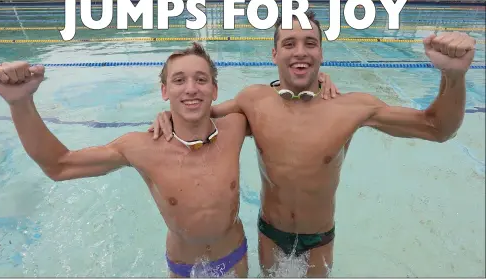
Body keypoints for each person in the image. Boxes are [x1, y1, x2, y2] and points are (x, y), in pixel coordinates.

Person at [148, 11, 476, 277]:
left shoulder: (352, 108)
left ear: (321, 51)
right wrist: (167, 116)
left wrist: (454, 76)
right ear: (274, 53)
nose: (301, 51)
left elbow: (438, 128)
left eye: (310, 43)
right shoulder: (254, 101)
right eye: (289, 43)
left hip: (318, 240)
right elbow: (198, 117)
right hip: (269, 233)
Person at [0, 43, 255, 278]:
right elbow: (59, 165)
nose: (191, 89)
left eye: (201, 80)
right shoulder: (142, 147)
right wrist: (20, 103)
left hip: (234, 257)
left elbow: (280, 105)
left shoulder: (235, 127)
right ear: (164, 91)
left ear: (215, 89)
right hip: (184, 268)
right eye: (179, 80)